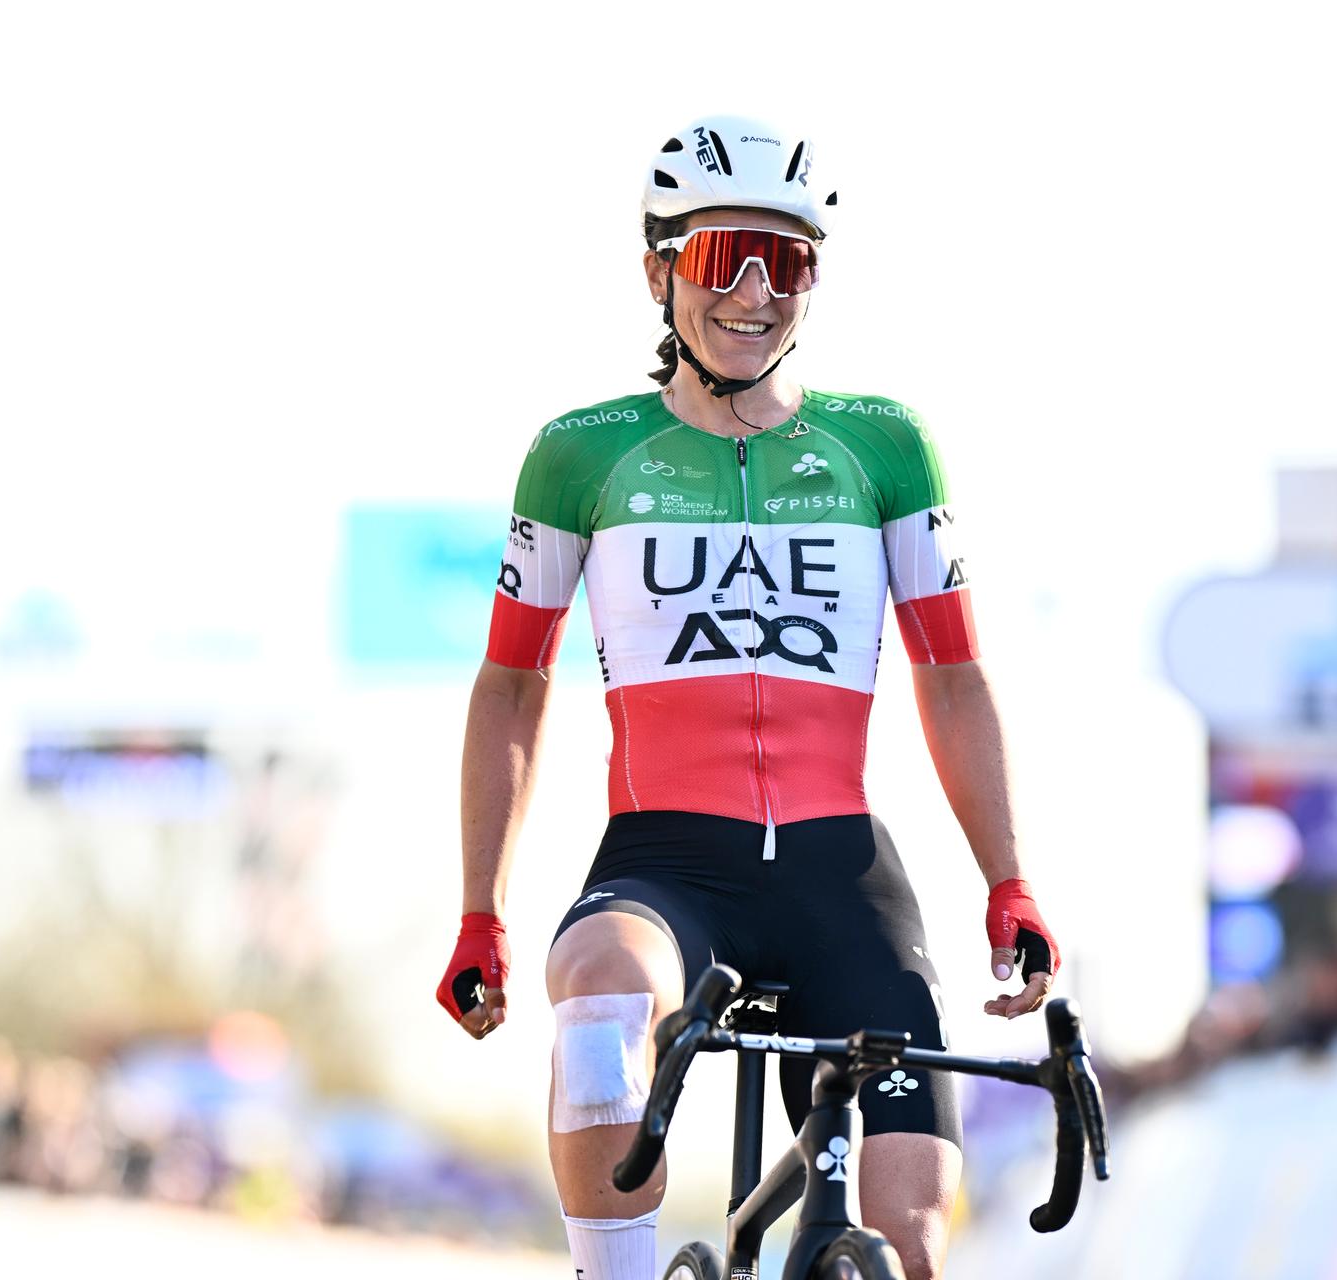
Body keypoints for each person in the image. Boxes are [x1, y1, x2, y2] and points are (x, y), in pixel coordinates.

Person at [436, 115, 1060, 1280]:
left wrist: (1008, 880)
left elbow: (954, 672)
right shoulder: (581, 455)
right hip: (666, 866)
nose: (757, 292)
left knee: (913, 1237)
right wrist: (485, 908)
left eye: (792, 261)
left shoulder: (884, 445)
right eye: (727, 256)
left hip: (841, 872)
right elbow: (513, 683)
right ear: (660, 268)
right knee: (605, 1000)